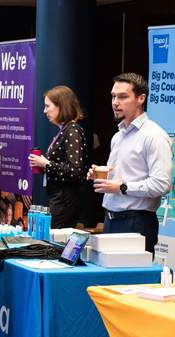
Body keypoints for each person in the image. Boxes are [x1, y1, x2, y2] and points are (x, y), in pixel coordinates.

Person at [89, 73, 172, 254]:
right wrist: (100, 175)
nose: (115, 102)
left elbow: (162, 184)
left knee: (129, 281)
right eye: (113, 96)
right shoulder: (118, 136)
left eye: (123, 97)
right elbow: (122, 176)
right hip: (111, 219)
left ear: (141, 98)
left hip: (136, 221)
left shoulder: (154, 136)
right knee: (109, 281)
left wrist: (122, 187)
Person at [28, 85, 88, 228]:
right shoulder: (65, 130)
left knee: (55, 239)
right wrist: (42, 165)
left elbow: (75, 170)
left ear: (61, 106)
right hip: (59, 196)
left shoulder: (73, 131)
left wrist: (46, 164)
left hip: (66, 198)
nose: (44, 111)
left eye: (48, 106)